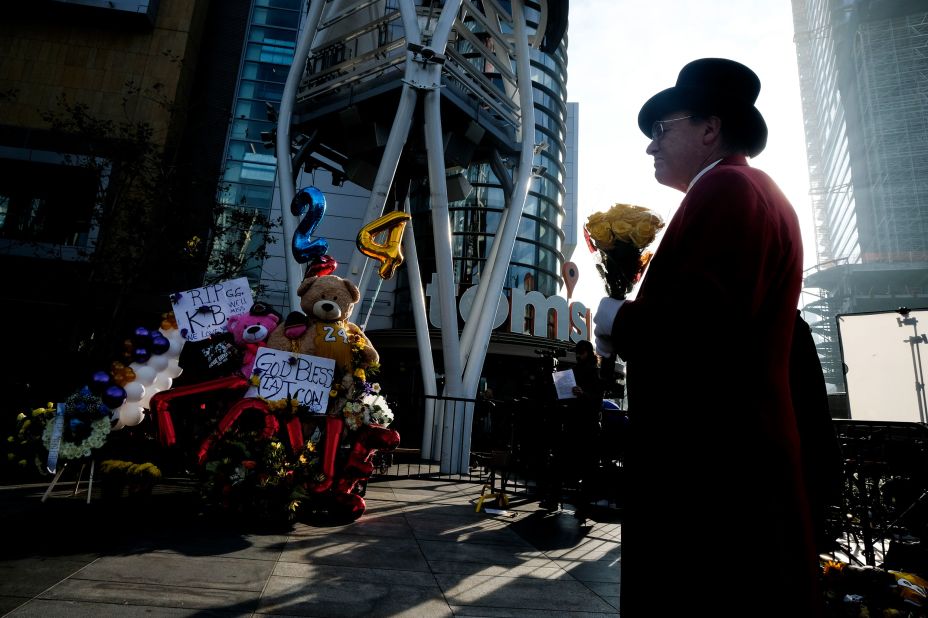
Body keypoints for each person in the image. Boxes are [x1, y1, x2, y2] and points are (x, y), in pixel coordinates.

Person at [592, 58, 823, 616]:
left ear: (709, 128)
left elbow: (697, 337)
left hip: (711, 475)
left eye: (662, 129)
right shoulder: (753, 189)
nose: (651, 146)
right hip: (736, 464)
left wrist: (613, 318)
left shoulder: (725, 188)